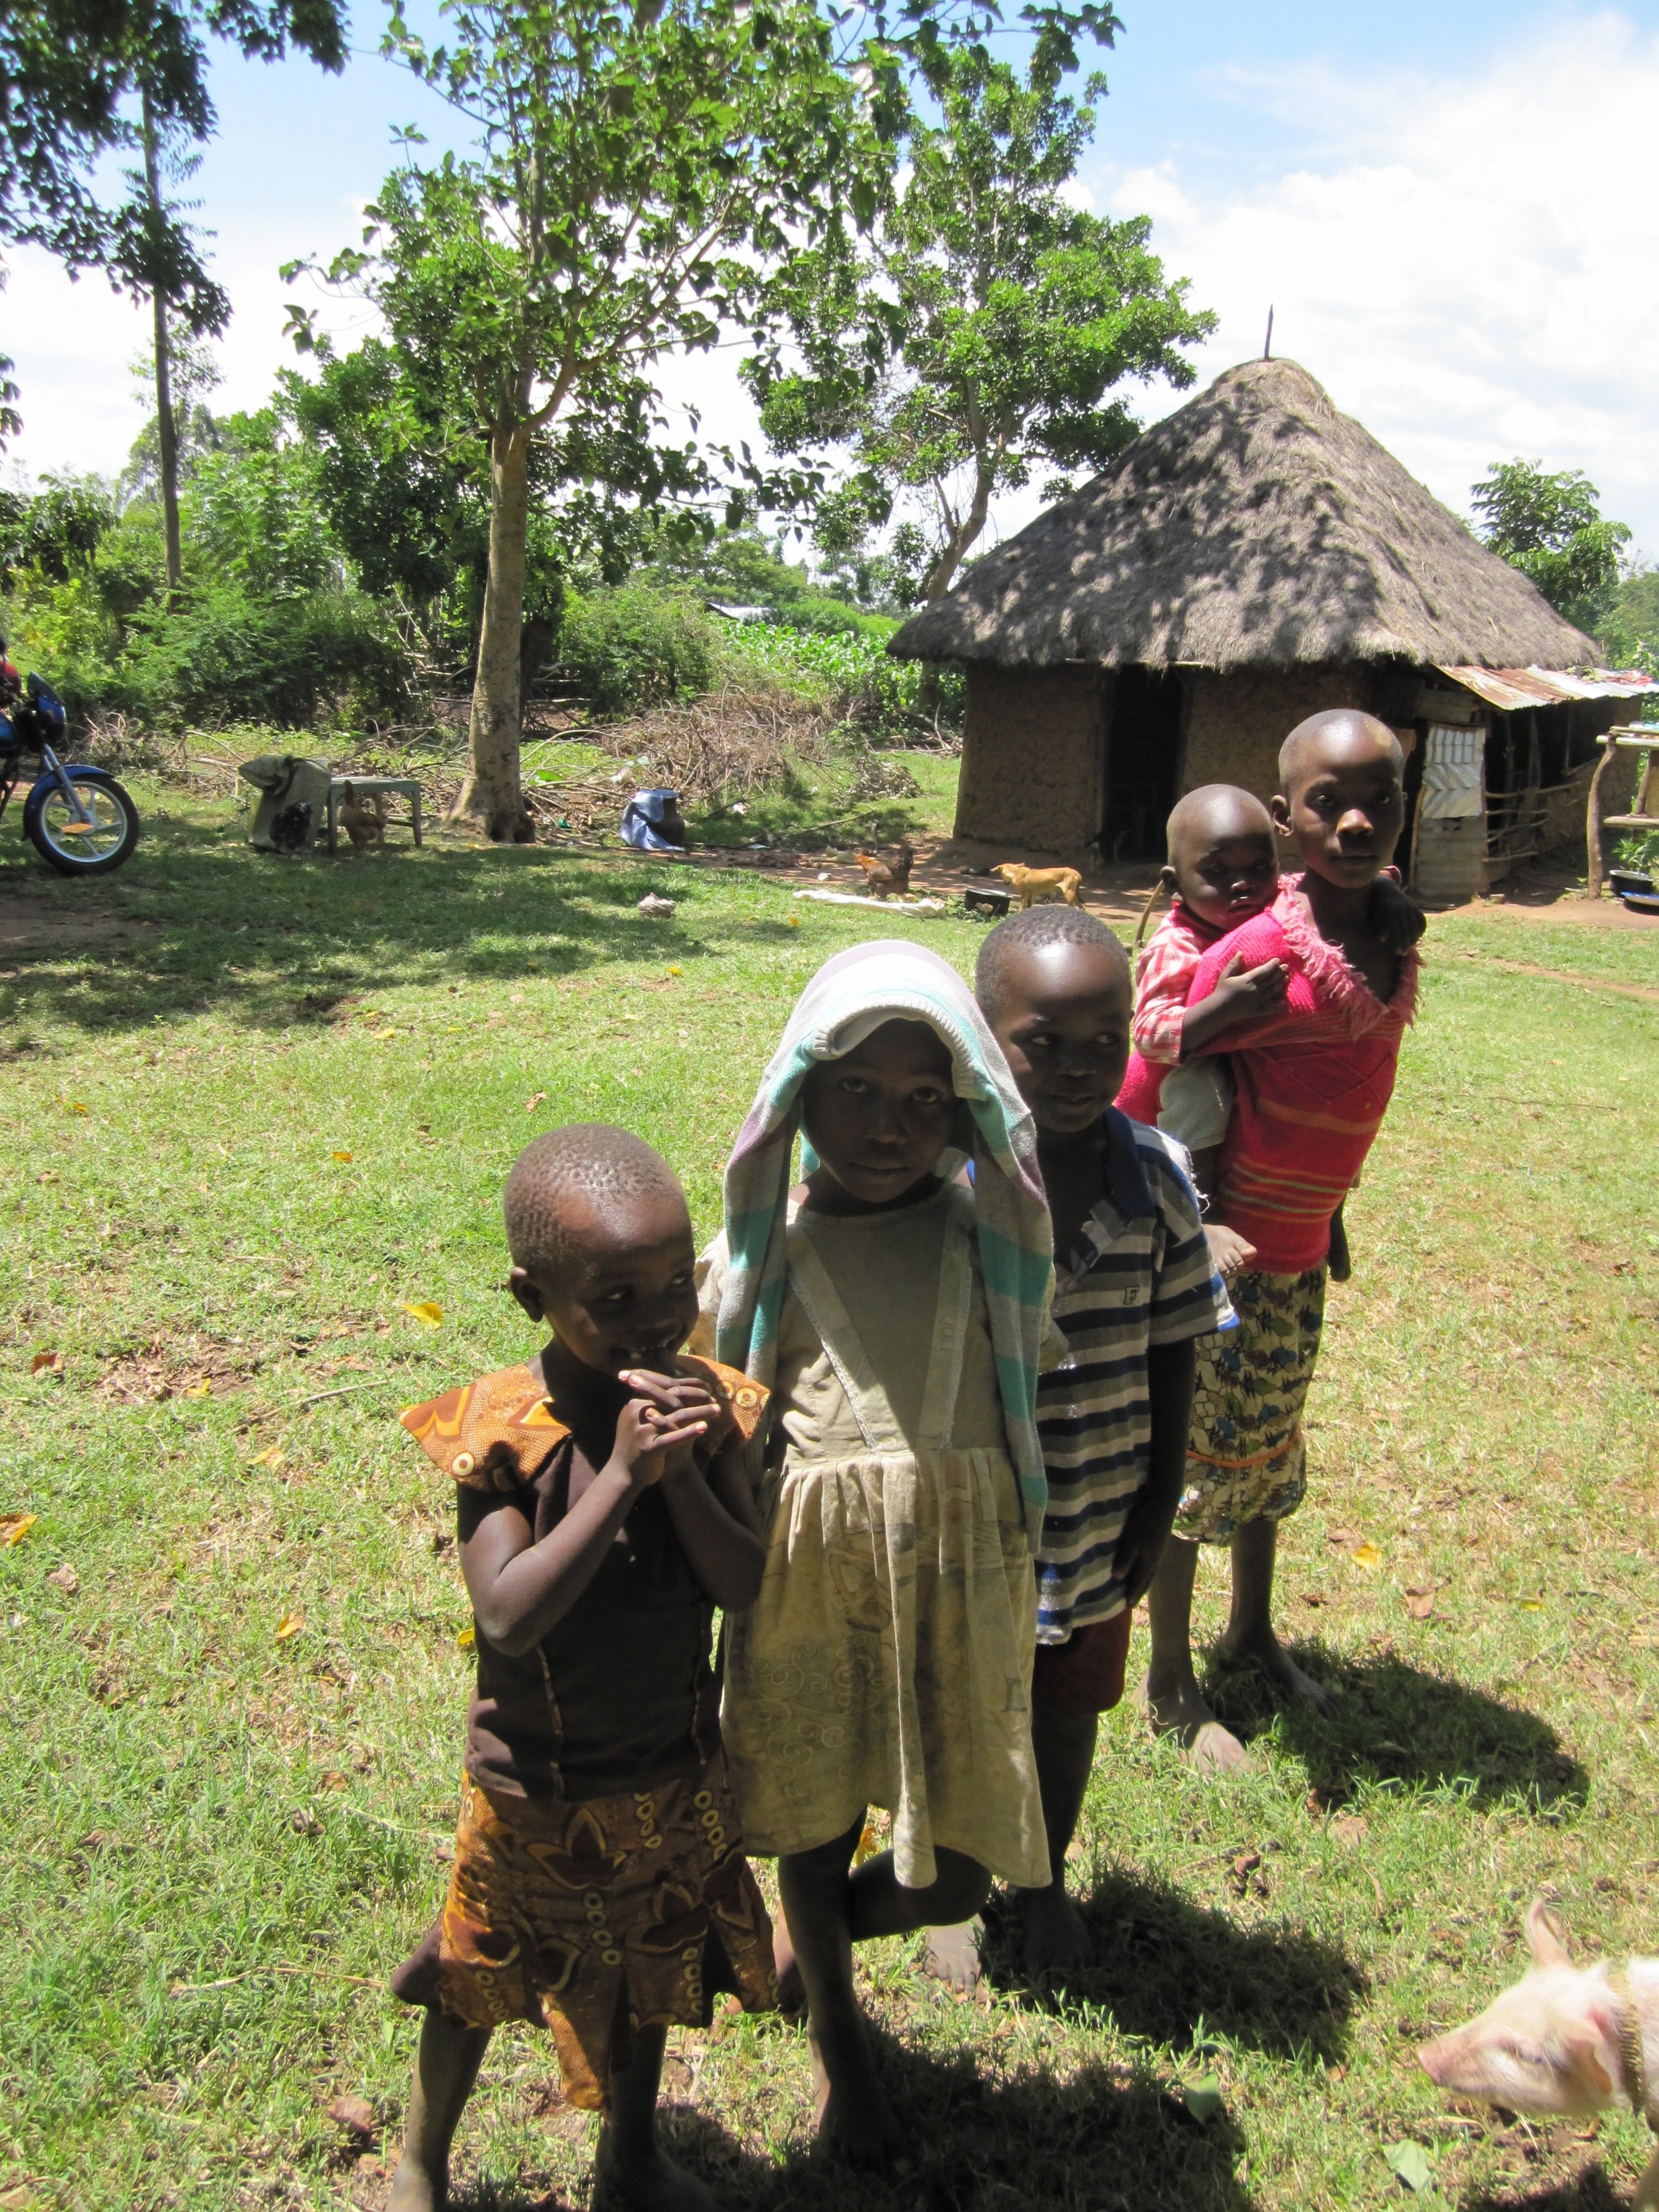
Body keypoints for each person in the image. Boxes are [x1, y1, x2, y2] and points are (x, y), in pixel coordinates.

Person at [695, 941, 1058, 2170]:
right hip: (812, 1588)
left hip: (960, 1584)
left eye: (923, 1097)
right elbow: (724, 1405)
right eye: (853, 1088)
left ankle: (815, 1943)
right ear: (798, 1093)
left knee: (955, 1872)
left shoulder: (987, 1241)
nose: (887, 1125)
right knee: (814, 1821)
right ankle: (842, 2046)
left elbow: (1029, 1382)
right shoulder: (766, 1256)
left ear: (967, 1108)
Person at [387, 1124, 777, 2212]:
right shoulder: (502, 1434)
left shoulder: (715, 1412)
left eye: (675, 1284)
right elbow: (509, 1615)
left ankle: (631, 2157)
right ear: (533, 1297)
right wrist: (618, 1477)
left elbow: (744, 1585)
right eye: (614, 1299)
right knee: (474, 1977)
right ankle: (421, 2159)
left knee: (654, 1975)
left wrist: (683, 1474)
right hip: (534, 1785)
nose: (655, 1319)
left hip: (670, 1770)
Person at [1144, 712, 1421, 1773]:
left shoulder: (1384, 928)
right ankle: (1169, 1678)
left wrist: (1331, 1213)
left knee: (1270, 1452)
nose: (1355, 823)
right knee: (1193, 1465)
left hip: (1300, 1254)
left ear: (1406, 807)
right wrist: (1176, 1220)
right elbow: (1152, 1073)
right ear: (1287, 814)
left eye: (1379, 801)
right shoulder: (1263, 952)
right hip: (1224, 1261)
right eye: (1328, 804)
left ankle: (1251, 1632)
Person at [977, 905, 1233, 1975]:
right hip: (970, 1518)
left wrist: (1160, 1493)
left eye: (1105, 1038)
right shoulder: (952, 1179)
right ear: (983, 1037)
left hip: (1096, 1511)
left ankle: (1043, 1882)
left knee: (1067, 1707)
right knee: (959, 1704)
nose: (1080, 1066)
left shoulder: (1158, 1175)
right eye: (1044, 1042)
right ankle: (948, 1881)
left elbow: (1178, 1345)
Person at [1118, 781, 1423, 1281]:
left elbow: (1339, 882)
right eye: (1218, 873)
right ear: (1175, 884)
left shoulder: (1276, 901)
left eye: (1260, 868)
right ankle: (1204, 1211)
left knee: (1332, 1098)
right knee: (1202, 1094)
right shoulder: (1177, 944)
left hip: (1259, 1058)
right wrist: (1222, 1007)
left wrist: (1388, 891)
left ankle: (1329, 1216)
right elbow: (1150, 1035)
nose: (1243, 885)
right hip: (1190, 1067)